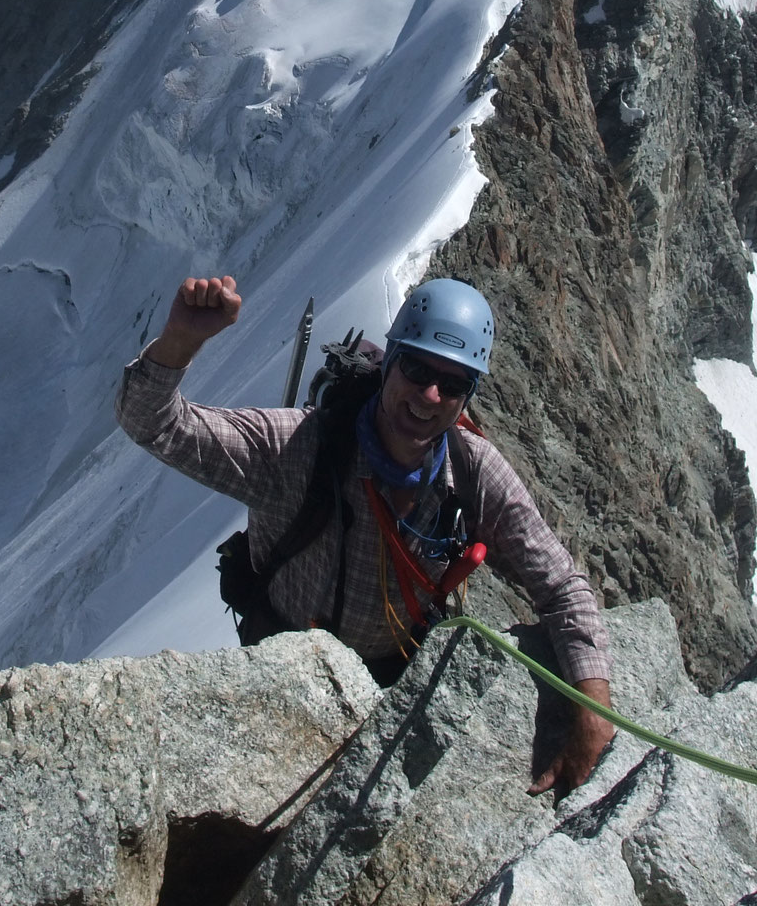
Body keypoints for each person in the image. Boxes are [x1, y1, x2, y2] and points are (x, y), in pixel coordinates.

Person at [116, 273, 615, 793]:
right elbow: (153, 423)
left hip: (389, 689)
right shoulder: (295, 448)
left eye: (454, 383)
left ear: (469, 395)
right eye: (417, 368)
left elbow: (561, 587)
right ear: (390, 360)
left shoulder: (473, 473)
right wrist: (180, 339)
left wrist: (592, 708)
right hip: (276, 682)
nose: (429, 395)